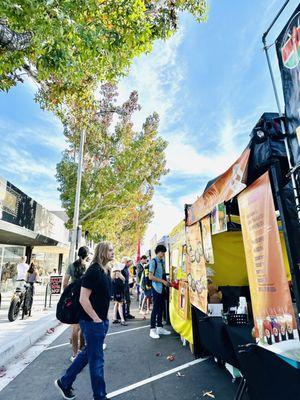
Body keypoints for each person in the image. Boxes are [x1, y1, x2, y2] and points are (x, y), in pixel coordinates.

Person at [55, 241, 114, 400]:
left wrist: (103, 319)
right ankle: (100, 396)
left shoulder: (104, 270)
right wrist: (96, 319)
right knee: (97, 361)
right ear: (102, 252)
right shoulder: (93, 271)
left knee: (89, 354)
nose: (113, 253)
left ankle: (65, 382)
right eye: (110, 250)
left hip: (100, 321)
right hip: (91, 322)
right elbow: (83, 298)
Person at [63, 246, 89, 362]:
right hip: (86, 298)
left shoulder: (71, 266)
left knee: (74, 327)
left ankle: (74, 354)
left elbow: (65, 283)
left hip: (74, 297)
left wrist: (67, 295)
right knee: (83, 325)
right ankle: (82, 347)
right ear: (87, 255)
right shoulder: (88, 267)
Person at [149, 245, 171, 339]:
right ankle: (152, 330)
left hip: (162, 288)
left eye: (164, 253)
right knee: (155, 309)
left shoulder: (161, 261)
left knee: (161, 308)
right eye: (162, 252)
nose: (163, 254)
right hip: (156, 288)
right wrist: (163, 281)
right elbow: (150, 276)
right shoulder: (153, 262)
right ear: (158, 252)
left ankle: (159, 327)